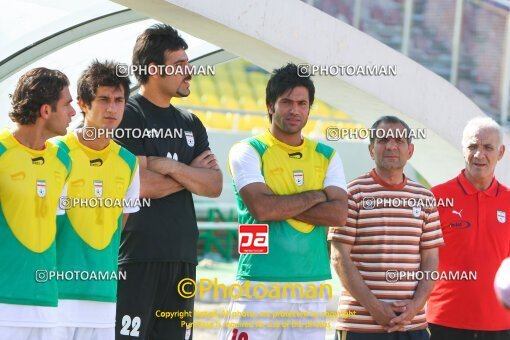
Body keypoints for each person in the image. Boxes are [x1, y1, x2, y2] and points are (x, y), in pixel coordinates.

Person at [219, 63, 348, 340]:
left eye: (302, 103)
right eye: (286, 102)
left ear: (309, 108)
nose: (295, 110)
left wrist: (281, 203)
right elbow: (263, 208)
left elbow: (338, 214)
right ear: (270, 106)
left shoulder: (327, 155)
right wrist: (317, 195)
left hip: (312, 283)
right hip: (259, 281)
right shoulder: (248, 150)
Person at [113, 24, 222, 340]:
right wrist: (189, 173)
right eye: (179, 66)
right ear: (153, 69)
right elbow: (138, 184)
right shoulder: (128, 114)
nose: (188, 73)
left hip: (183, 259)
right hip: (136, 258)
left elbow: (214, 185)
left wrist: (167, 166)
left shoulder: (190, 121)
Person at [329, 116, 444, 340]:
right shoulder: (352, 193)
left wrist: (415, 306)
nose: (391, 146)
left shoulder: (425, 197)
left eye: (399, 140)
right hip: (360, 325)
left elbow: (431, 259)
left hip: (412, 325)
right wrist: (375, 308)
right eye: (383, 140)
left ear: (410, 150)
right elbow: (339, 257)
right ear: (371, 149)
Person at [52, 60, 139, 340]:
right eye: (103, 99)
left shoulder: (128, 162)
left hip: (104, 294)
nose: (112, 108)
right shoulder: (57, 152)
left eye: (119, 100)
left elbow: (118, 226)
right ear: (83, 104)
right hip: (54, 293)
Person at [0, 67, 75, 339]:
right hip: (4, 307)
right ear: (46, 111)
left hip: (47, 308)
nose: (73, 113)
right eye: (67, 104)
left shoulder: (63, 161)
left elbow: (57, 227)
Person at [427, 117, 510, 340]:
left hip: (500, 326)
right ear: (463, 150)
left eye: (487, 147)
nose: (479, 155)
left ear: (500, 153)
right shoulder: (436, 197)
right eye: (473, 147)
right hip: (443, 322)